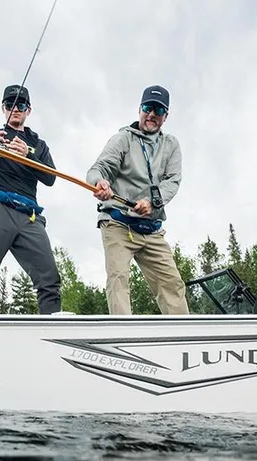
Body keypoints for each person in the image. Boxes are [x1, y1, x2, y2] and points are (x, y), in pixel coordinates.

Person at [85, 85, 189, 315]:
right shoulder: (123, 139)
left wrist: (152, 202)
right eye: (147, 108)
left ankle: (183, 339)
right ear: (139, 109)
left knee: (172, 285)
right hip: (118, 224)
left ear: (166, 116)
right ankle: (122, 339)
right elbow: (99, 168)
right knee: (118, 280)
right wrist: (99, 183)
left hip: (152, 230)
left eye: (158, 110)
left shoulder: (171, 145)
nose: (152, 114)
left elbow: (173, 180)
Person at [0, 84, 61, 314]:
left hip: (29, 215)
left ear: (29, 110)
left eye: (21, 104)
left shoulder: (38, 144)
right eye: (10, 104)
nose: (16, 108)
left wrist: (28, 155)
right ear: (3, 108)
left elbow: (51, 178)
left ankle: (52, 335)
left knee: (50, 279)